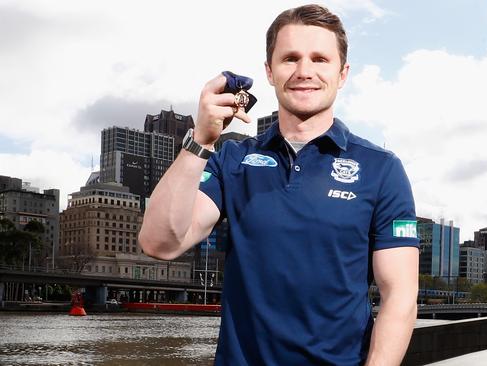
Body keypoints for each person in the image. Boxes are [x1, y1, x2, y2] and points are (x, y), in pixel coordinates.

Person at [139, 4, 419, 365]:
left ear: (343, 73)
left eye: (320, 59)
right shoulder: (232, 161)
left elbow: (399, 295)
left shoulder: (382, 169)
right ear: (270, 72)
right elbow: (159, 243)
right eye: (290, 58)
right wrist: (201, 142)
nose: (305, 71)